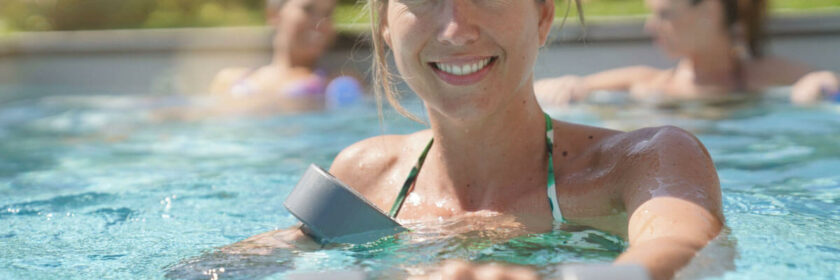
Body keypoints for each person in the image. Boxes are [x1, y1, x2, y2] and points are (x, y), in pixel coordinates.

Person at [229, 1, 723, 279]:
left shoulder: (644, 164)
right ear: (384, 25)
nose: (456, 29)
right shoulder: (366, 177)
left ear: (543, 17)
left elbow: (685, 253)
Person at [535, 0, 840, 106]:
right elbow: (571, 87)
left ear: (709, 11)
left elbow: (824, 84)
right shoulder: (647, 82)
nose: (650, 27)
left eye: (665, 14)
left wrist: (822, 85)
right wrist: (573, 85)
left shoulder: (774, 76)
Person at [208, 0, 363, 115]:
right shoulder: (229, 79)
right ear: (274, 15)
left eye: (328, 14)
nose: (320, 23)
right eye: (308, 10)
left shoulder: (337, 83)